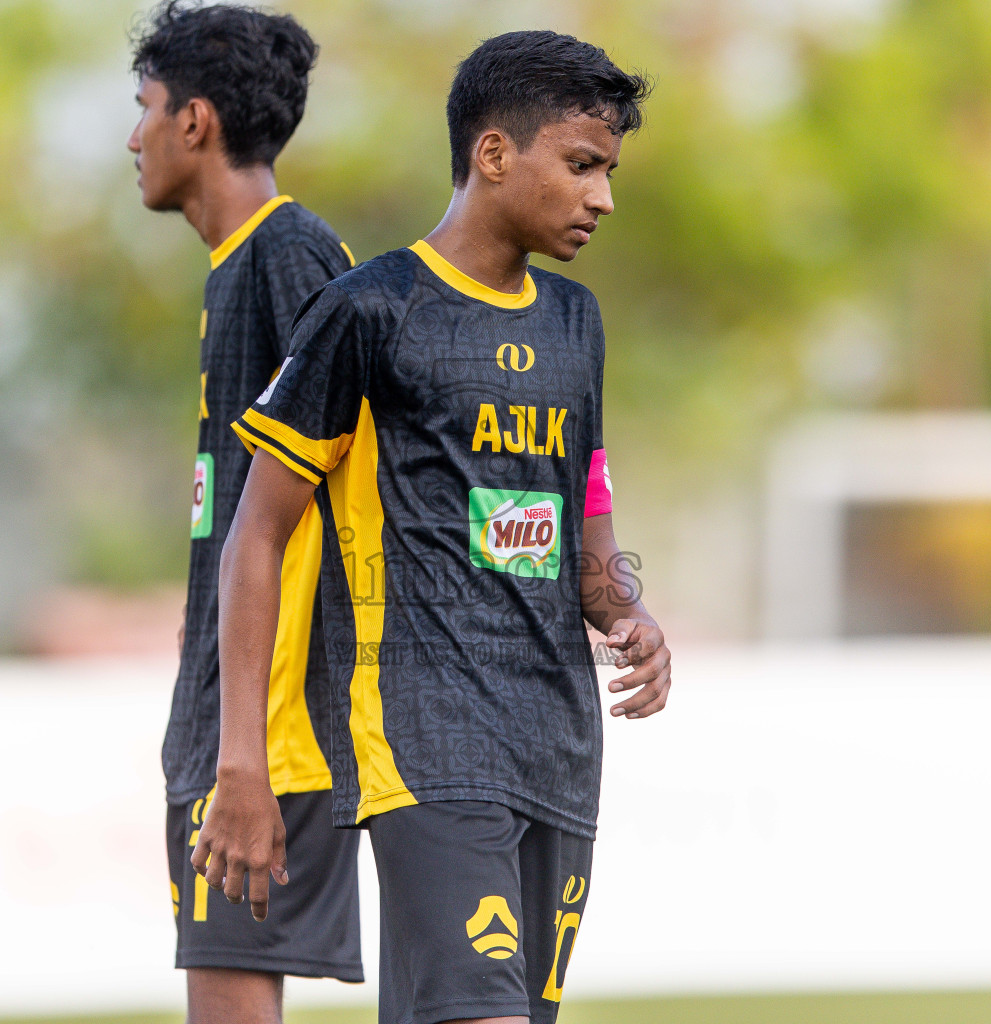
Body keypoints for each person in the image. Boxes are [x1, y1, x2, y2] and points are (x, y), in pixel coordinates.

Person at [197, 29, 671, 1024]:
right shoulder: (369, 310)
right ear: (495, 153)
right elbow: (256, 536)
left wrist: (629, 613)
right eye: (583, 166)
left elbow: (578, 516)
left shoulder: (576, 322)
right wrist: (242, 758)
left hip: (557, 739)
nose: (603, 198)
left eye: (610, 172)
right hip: (420, 738)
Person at [127, 3, 361, 1021]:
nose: (131, 137)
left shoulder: (290, 254)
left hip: (268, 732)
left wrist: (243, 760)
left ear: (195, 121)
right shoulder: (242, 267)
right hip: (230, 722)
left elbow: (350, 497)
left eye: (143, 109)